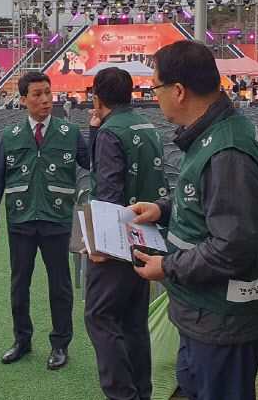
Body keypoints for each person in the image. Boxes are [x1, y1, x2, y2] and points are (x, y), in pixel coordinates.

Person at [131, 40, 258, 400]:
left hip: (224, 316)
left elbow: (233, 246)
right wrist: (163, 209)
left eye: (155, 87)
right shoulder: (211, 135)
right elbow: (208, 202)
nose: (155, 96)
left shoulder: (226, 150)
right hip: (206, 310)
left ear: (179, 91)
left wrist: (167, 267)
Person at [0, 71, 90, 370]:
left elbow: (93, 161)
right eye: (37, 94)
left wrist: (97, 129)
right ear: (23, 100)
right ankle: (22, 339)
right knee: (19, 284)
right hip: (21, 221)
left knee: (60, 285)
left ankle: (60, 344)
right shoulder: (11, 135)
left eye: (48, 92)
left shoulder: (70, 132)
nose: (45, 100)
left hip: (57, 220)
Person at [83, 67, 167, 400]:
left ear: (97, 98)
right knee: (133, 320)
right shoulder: (148, 126)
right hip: (146, 237)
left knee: (100, 317)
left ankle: (122, 394)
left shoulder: (111, 132)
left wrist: (101, 244)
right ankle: (140, 393)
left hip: (118, 241)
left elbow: (109, 194)